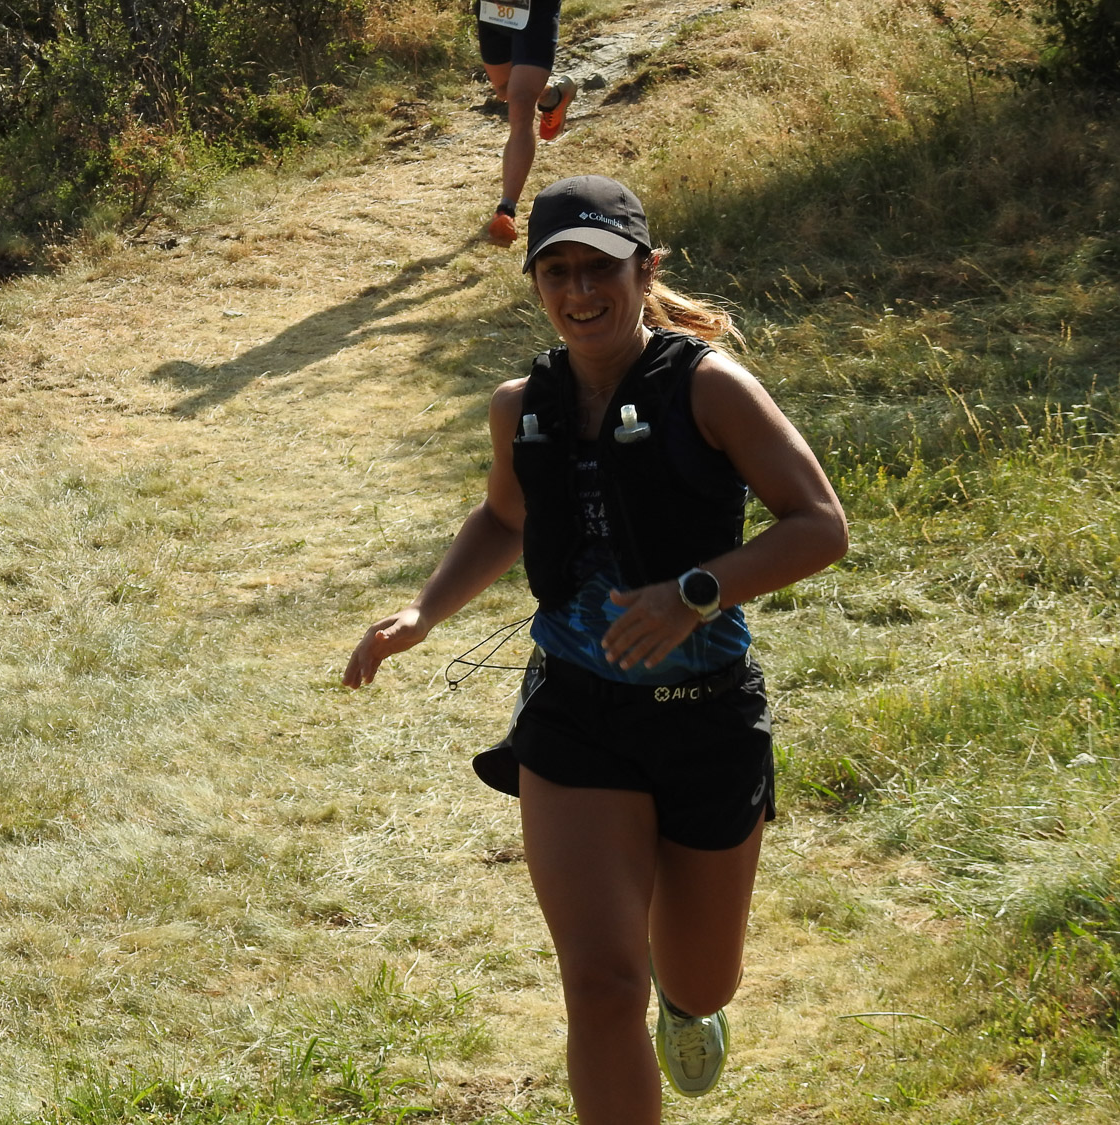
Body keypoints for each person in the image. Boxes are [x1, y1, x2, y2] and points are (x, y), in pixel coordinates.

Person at [343, 175, 848, 1122]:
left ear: (644, 270)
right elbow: (504, 517)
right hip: (576, 713)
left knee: (701, 977)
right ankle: (631, 971)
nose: (579, 291)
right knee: (601, 985)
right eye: (558, 271)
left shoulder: (709, 388)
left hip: (707, 717)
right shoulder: (521, 405)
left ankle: (685, 1000)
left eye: (601, 268)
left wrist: (694, 594)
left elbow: (820, 525)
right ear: (537, 283)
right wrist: (423, 612)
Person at [474, 0, 578, 247]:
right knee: (505, 90)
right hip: (493, 7)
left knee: (520, 104)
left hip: (536, 11)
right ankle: (552, 96)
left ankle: (506, 210)